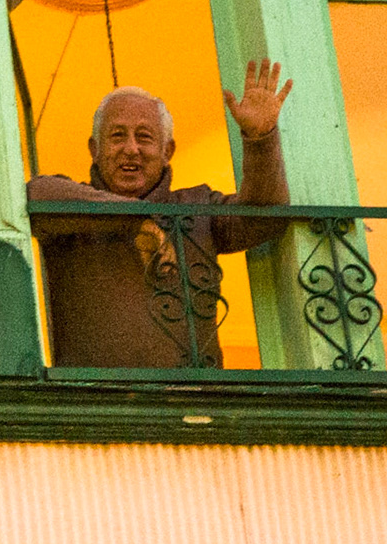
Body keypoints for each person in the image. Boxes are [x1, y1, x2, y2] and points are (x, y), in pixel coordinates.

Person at [27, 59, 292, 369]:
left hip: (193, 406)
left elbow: (265, 216)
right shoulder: (69, 209)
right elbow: (35, 195)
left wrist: (261, 139)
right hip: (96, 407)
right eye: (117, 136)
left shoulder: (196, 208)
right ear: (94, 149)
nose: (131, 149)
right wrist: (139, 218)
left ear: (168, 151)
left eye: (144, 137)